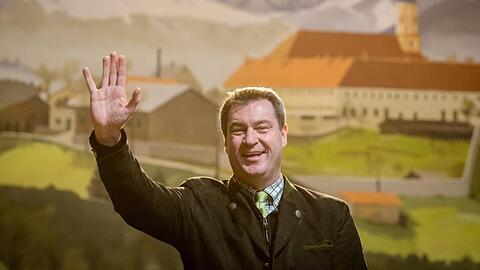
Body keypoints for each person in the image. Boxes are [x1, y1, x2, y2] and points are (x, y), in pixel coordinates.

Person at [83, 52, 368, 270]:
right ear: (225, 142)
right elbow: (137, 201)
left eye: (262, 127)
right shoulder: (199, 205)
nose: (250, 139)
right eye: (238, 130)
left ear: (283, 135)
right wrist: (109, 139)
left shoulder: (332, 217)